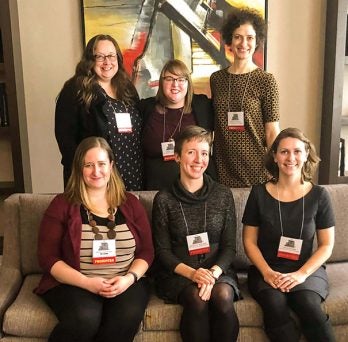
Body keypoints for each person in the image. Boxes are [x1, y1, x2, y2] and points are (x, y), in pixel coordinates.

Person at [35, 136, 154, 342]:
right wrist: (88, 284)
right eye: (88, 165)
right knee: (85, 319)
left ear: (111, 165)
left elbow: (147, 251)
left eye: (101, 164)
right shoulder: (62, 204)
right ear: (79, 168)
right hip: (75, 283)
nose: (96, 171)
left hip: (125, 281)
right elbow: (47, 257)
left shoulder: (131, 203)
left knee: (125, 318)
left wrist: (128, 279)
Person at [242, 128, 335, 341]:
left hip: (306, 270)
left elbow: (326, 245)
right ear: (274, 156)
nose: (290, 158)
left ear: (306, 155)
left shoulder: (320, 196)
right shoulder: (258, 193)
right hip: (266, 270)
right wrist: (266, 272)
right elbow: (249, 241)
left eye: (297, 151)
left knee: (308, 306)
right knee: (274, 305)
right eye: (284, 152)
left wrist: (301, 274)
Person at [152, 125, 240, 341]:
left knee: (222, 295)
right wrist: (193, 274)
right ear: (177, 157)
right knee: (196, 298)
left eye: (203, 153)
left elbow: (230, 247)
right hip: (179, 273)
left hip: (217, 271)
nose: (198, 159)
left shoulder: (223, 195)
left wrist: (213, 274)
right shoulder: (164, 199)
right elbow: (162, 251)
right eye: (191, 152)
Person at [55, 34, 143, 190]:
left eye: (111, 56)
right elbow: (65, 139)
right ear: (90, 60)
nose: (107, 62)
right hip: (96, 177)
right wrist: (85, 171)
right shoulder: (75, 90)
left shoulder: (127, 88)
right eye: (100, 57)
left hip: (132, 171)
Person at [210, 7, 280, 188]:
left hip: (258, 171)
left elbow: (272, 131)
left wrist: (278, 172)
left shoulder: (266, 80)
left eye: (250, 38)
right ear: (230, 41)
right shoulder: (217, 79)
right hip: (223, 170)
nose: (244, 43)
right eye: (238, 37)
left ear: (257, 42)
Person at [138, 59, 216, 190]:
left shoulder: (203, 106)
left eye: (181, 79)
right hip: (154, 188)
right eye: (169, 79)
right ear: (161, 82)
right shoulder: (144, 108)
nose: (175, 84)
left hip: (195, 189)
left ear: (188, 83)